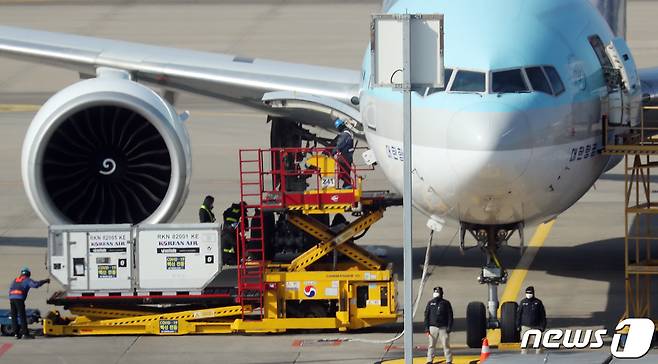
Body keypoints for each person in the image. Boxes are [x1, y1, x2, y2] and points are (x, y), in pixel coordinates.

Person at [8, 267, 49, 339]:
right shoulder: (26, 280)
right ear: (28, 274)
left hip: (12, 298)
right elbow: (36, 285)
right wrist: (45, 281)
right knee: (22, 316)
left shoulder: (15, 280)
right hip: (19, 299)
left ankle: (16, 334)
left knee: (14, 316)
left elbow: (11, 288)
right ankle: (25, 334)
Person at [424, 286, 453, 364]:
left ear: (441, 293)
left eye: (438, 292)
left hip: (443, 327)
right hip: (432, 327)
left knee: (446, 345)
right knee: (431, 345)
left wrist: (449, 327)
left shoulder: (446, 303)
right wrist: (426, 328)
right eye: (435, 292)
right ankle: (429, 360)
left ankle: (449, 360)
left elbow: (450, 316)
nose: (436, 293)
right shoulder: (430, 303)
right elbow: (426, 316)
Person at [517, 286, 547, 354]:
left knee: (538, 345)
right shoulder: (523, 302)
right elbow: (519, 315)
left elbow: (542, 315)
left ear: (533, 293)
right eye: (527, 293)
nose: (528, 294)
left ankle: (539, 357)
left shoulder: (538, 302)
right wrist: (518, 325)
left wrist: (543, 326)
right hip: (525, 326)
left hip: (536, 326)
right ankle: (523, 358)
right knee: (524, 346)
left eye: (530, 293)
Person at [332, 118, 354, 189]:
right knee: (346, 171)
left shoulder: (344, 134)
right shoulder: (348, 132)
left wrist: (333, 152)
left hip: (345, 156)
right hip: (348, 155)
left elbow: (340, 145)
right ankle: (346, 185)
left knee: (344, 171)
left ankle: (347, 185)